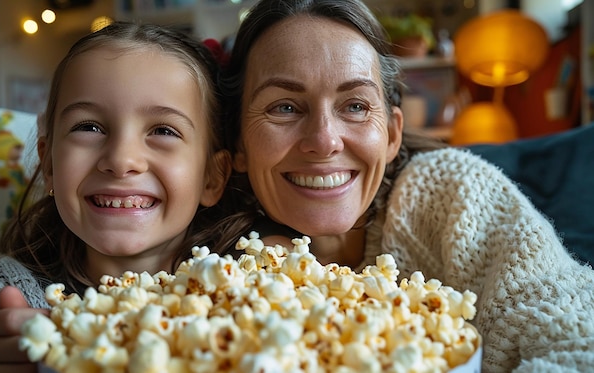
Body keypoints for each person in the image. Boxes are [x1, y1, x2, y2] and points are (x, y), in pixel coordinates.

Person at [218, 0, 594, 371]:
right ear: (238, 144)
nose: (325, 140)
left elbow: (575, 333)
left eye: (355, 106)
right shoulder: (208, 273)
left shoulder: (453, 197)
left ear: (393, 134)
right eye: (284, 107)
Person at [0, 21, 234, 372]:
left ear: (212, 178)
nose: (121, 161)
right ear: (48, 163)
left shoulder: (257, 303)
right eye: (88, 127)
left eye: (163, 131)